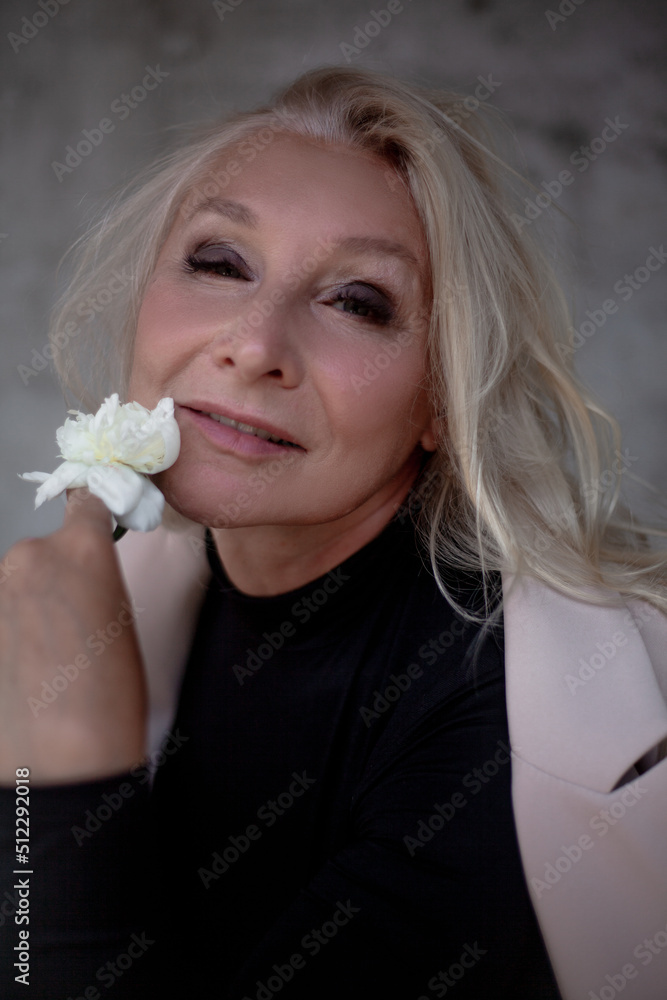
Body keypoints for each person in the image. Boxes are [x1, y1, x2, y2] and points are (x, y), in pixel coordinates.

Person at [1, 65, 666, 1000]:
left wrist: (59, 785)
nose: (254, 342)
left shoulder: (508, 724)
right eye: (219, 262)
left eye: (357, 301)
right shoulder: (123, 591)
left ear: (442, 396)